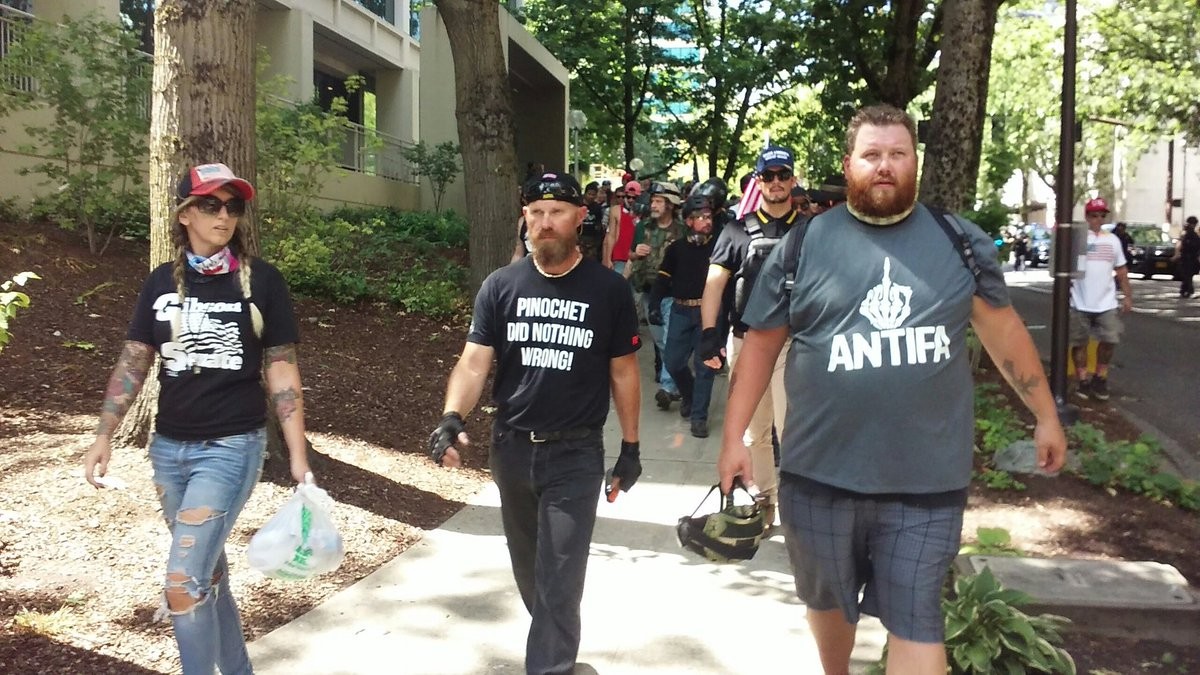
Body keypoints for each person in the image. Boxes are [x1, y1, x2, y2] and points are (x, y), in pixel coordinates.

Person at [717, 104, 1067, 675]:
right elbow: (759, 346)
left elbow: (1004, 335)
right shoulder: (802, 247)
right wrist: (734, 437)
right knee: (827, 604)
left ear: (915, 163)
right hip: (819, 476)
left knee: (917, 619)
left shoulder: (957, 243)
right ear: (848, 164)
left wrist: (1045, 415)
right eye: (872, 155)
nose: (885, 166)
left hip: (926, 480)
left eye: (897, 154)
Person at [81, 163, 312, 675]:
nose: (224, 215)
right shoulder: (161, 281)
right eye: (211, 205)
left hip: (232, 448)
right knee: (207, 573)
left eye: (233, 206)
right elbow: (136, 359)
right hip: (168, 450)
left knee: (182, 582)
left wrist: (298, 454)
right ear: (185, 213)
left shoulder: (262, 280)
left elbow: (281, 368)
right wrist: (104, 435)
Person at [428, 171, 643, 675]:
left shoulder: (608, 291)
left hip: (576, 453)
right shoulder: (500, 286)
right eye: (537, 212)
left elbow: (624, 372)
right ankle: (556, 650)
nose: (546, 223)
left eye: (558, 212)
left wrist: (630, 447)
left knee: (561, 579)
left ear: (579, 218)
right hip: (512, 450)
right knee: (532, 574)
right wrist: (451, 416)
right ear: (525, 216)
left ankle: (550, 666)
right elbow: (474, 361)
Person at [699, 145, 802, 527]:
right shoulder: (736, 231)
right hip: (746, 339)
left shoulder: (809, 231)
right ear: (758, 181)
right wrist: (710, 333)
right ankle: (766, 500)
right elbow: (714, 283)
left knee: (790, 430)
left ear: (792, 179)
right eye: (768, 176)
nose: (776, 182)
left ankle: (797, 507)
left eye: (782, 175)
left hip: (796, 344)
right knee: (754, 433)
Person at [649, 193, 719, 438]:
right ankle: (688, 395)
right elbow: (663, 278)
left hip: (707, 312)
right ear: (688, 221)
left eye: (709, 216)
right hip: (680, 310)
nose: (706, 221)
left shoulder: (718, 246)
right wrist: (655, 304)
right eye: (700, 217)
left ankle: (699, 416)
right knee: (673, 361)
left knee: (705, 367)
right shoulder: (676, 249)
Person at [629, 181, 685, 409]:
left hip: (672, 293)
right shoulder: (643, 227)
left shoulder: (682, 230)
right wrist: (636, 253)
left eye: (659, 201)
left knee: (670, 339)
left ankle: (667, 386)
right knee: (661, 341)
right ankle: (679, 382)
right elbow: (631, 255)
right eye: (653, 201)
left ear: (670, 204)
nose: (653, 205)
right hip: (648, 292)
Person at [1071, 197, 1133, 402]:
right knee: (1079, 342)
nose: (1098, 219)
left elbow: (1121, 270)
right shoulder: (1077, 239)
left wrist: (1127, 296)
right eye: (1094, 215)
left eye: (1101, 216)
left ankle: (1100, 377)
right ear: (1087, 216)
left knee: (1109, 339)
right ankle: (1082, 380)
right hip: (1079, 301)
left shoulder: (1112, 240)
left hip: (1106, 302)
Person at [603, 180, 639, 274]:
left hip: (636, 255)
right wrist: (607, 258)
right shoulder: (615, 210)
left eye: (634, 198)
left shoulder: (642, 212)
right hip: (619, 256)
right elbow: (610, 235)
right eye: (628, 197)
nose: (631, 200)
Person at [578, 181, 606, 263]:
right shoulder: (578, 206)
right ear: (585, 193)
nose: (591, 196)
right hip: (580, 237)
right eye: (589, 194)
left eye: (593, 195)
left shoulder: (597, 208)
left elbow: (598, 223)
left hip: (592, 239)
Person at [1173, 216, 1200, 298]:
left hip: (1188, 257)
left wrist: (1176, 255)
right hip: (1190, 257)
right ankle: (1187, 290)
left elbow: (1179, 244)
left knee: (1187, 274)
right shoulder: (1192, 235)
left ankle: (1186, 290)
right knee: (1187, 274)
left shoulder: (1187, 234)